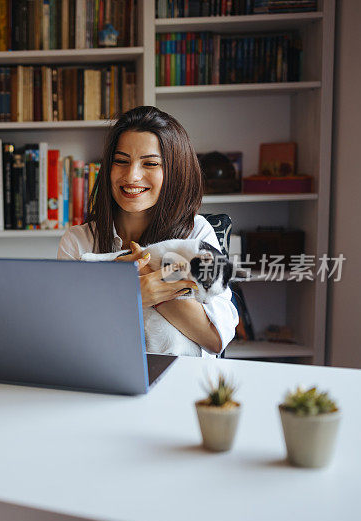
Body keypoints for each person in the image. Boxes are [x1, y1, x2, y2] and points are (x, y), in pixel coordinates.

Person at [57, 106, 238, 357]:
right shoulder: (78, 241)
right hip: (103, 377)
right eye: (121, 161)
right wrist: (131, 295)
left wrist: (143, 276)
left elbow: (214, 339)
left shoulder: (197, 232)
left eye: (150, 163)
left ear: (173, 172)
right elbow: (67, 333)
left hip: (180, 384)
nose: (132, 176)